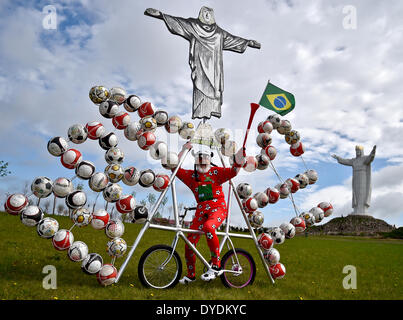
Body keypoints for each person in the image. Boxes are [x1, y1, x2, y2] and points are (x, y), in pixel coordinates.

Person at [173, 142, 245, 283]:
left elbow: (234, 171)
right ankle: (191, 275)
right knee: (189, 242)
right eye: (200, 157)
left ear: (210, 159)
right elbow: (175, 168)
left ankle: (216, 265)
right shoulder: (191, 176)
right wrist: (184, 149)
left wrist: (238, 160)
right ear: (195, 160)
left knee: (209, 227)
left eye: (206, 157)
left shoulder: (216, 172)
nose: (203, 160)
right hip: (201, 212)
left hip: (218, 208)